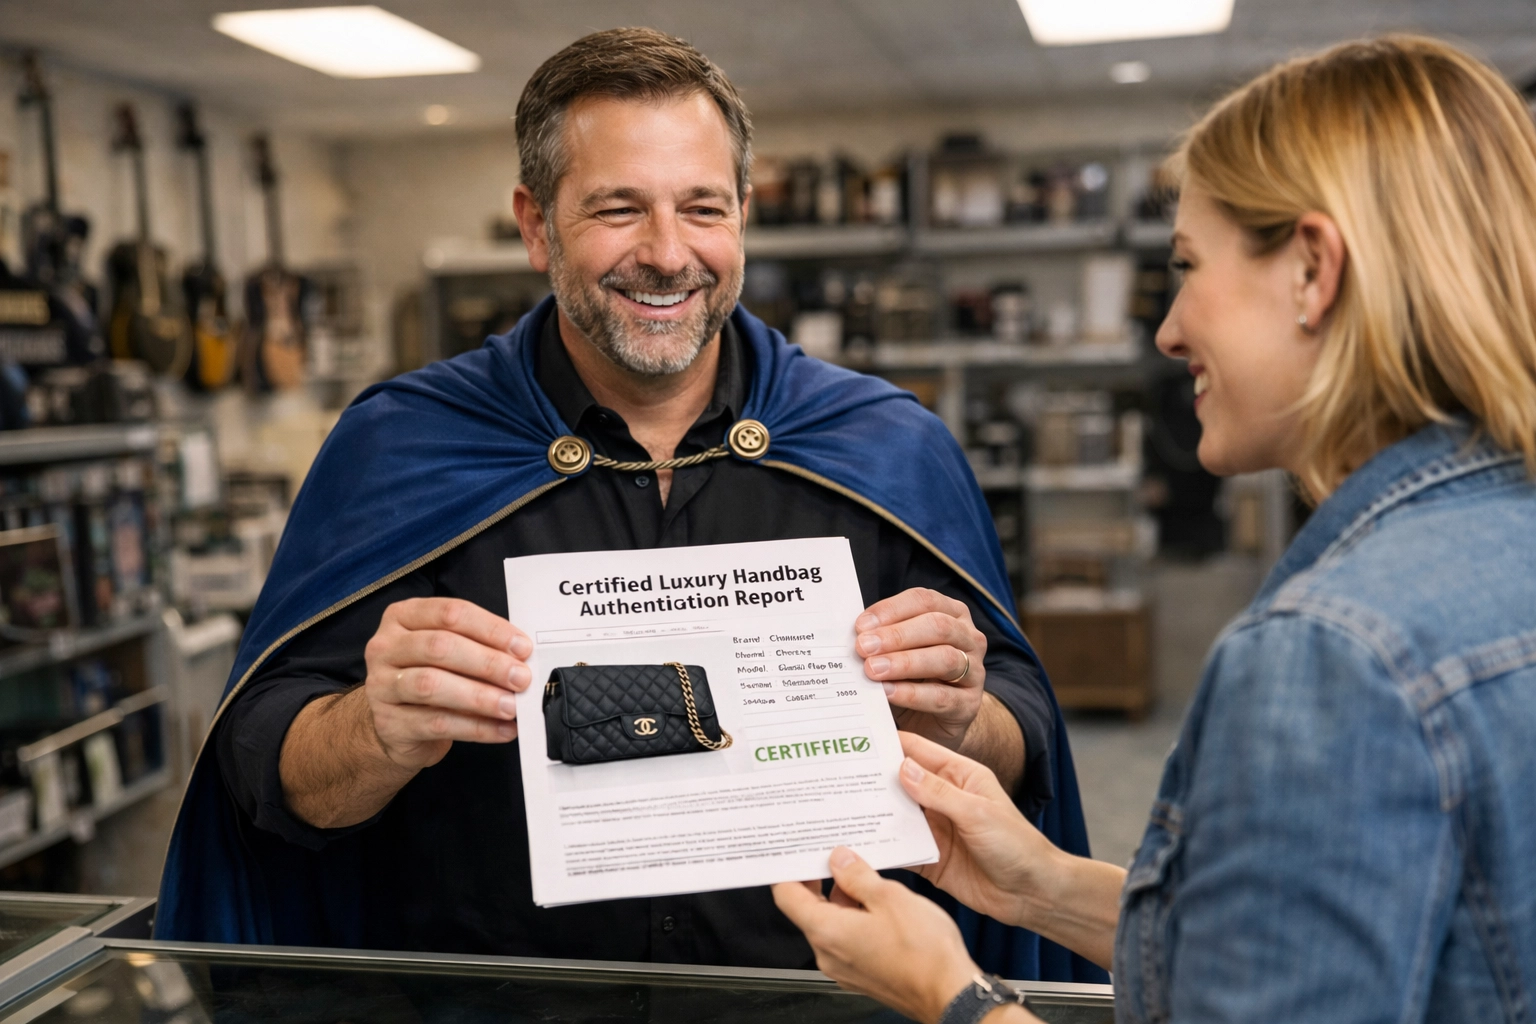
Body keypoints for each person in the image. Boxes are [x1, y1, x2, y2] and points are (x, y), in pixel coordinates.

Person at [154, 27, 1102, 982]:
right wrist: (371, 729)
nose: (666, 253)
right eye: (617, 208)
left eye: (702, 207)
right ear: (535, 225)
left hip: (825, 1007)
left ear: (741, 215)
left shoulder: (890, 443)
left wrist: (963, 716)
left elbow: (1023, 744)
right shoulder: (398, 445)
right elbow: (265, 768)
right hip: (491, 1010)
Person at [773, 34, 1536, 1024]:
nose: (1169, 328)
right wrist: (1040, 883)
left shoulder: (1330, 657)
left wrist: (948, 993)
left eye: (1189, 266)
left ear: (1312, 269)